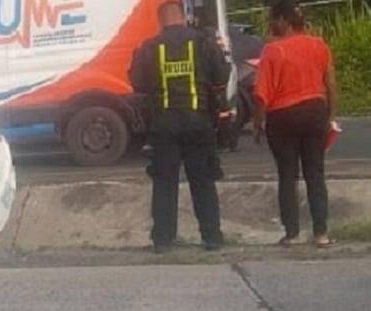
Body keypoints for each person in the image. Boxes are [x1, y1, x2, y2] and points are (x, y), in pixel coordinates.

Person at [130, 0, 232, 253]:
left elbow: (138, 84)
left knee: (164, 183)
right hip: (198, 122)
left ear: (160, 21)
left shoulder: (150, 47)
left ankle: (163, 240)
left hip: (163, 124)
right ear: (183, 17)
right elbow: (221, 75)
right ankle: (212, 237)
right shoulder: (202, 42)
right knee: (203, 181)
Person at [253, 0, 338, 248]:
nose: (271, 24)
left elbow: (261, 94)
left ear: (283, 20)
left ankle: (292, 234)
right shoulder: (319, 45)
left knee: (287, 176)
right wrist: (330, 116)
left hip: (283, 117)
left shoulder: (272, 50)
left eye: (273, 19)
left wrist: (258, 123)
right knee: (315, 174)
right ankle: (321, 234)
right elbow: (331, 83)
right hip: (315, 113)